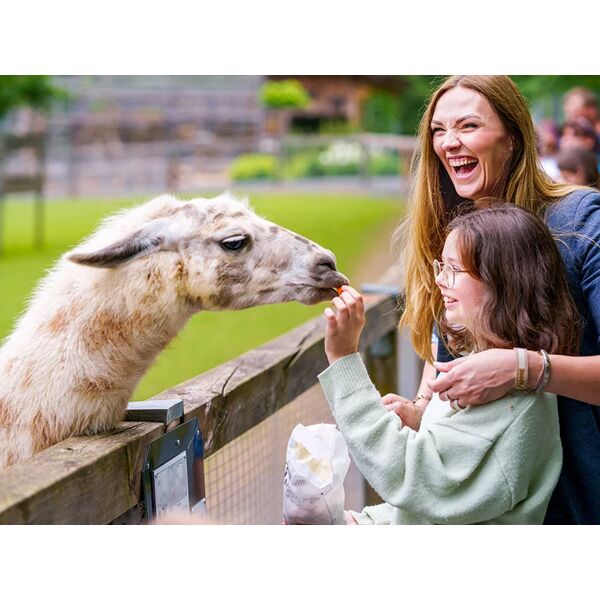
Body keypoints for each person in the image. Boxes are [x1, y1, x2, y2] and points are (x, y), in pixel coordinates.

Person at [393, 75, 600, 524]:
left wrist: (524, 369)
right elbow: (447, 360)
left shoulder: (582, 223)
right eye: (438, 131)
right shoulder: (454, 239)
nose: (449, 143)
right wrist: (421, 411)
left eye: (467, 126)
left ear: (513, 135)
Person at [318, 204, 579, 524]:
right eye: (440, 266)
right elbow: (432, 512)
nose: (440, 280)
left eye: (453, 269)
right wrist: (360, 523)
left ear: (503, 281)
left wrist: (344, 360)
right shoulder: (483, 375)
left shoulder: (516, 405)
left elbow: (409, 476)